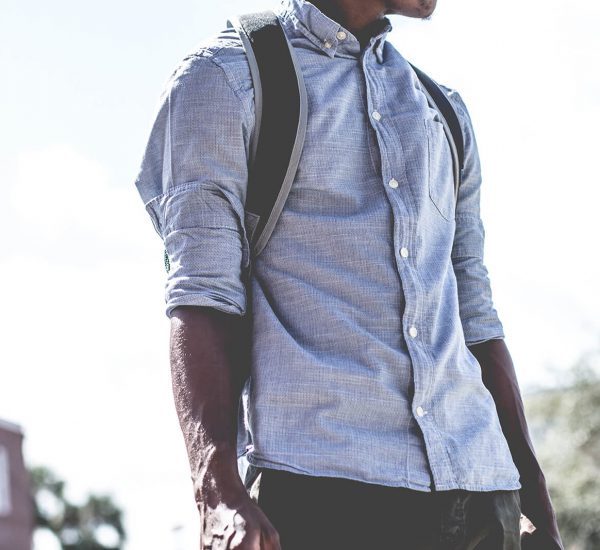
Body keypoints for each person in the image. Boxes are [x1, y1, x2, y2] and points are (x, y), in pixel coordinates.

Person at [135, 0, 564, 548]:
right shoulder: (225, 79)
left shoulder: (443, 111)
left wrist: (535, 503)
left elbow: (474, 315)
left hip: (485, 496)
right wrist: (215, 491)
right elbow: (202, 295)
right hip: (326, 495)